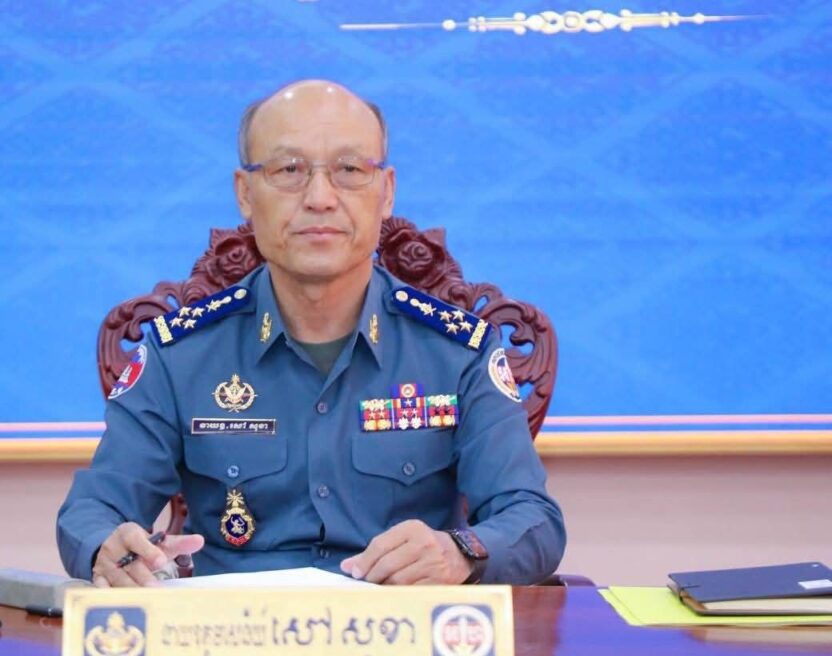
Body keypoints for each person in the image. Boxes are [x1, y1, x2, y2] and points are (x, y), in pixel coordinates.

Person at [57, 80, 565, 587]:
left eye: (349, 170)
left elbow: (532, 517)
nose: (320, 198)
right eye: (289, 170)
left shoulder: (457, 352)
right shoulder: (180, 354)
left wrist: (460, 552)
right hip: (234, 630)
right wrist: (108, 548)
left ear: (386, 191)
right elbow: (93, 511)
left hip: (398, 626)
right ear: (245, 194)